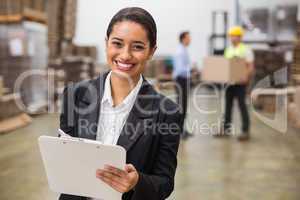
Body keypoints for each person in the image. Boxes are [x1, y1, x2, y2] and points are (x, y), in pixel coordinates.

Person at [59, 7, 183, 200]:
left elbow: (165, 183)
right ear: (106, 43)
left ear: (151, 51)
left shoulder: (167, 112)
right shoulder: (75, 95)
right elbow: (64, 160)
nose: (125, 55)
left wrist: (137, 182)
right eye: (117, 43)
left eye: (138, 47)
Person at [223, 26, 254, 141]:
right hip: (229, 82)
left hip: (241, 83)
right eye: (231, 36)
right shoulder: (228, 49)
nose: (232, 38)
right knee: (227, 105)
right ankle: (226, 129)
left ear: (240, 37)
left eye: (234, 36)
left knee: (242, 105)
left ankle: (245, 131)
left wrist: (245, 76)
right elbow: (225, 66)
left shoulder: (246, 50)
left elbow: (250, 67)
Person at [173, 31, 192, 139]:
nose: (190, 40)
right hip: (180, 79)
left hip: (184, 79)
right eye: (188, 38)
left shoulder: (184, 49)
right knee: (181, 106)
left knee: (184, 105)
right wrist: (191, 70)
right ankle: (179, 131)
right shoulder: (180, 51)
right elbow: (180, 69)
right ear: (183, 39)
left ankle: (182, 129)